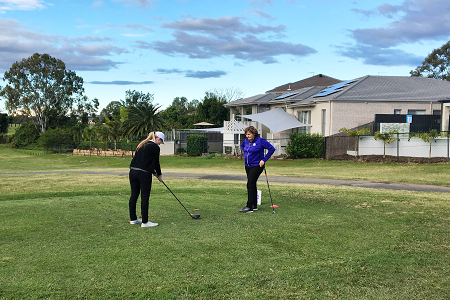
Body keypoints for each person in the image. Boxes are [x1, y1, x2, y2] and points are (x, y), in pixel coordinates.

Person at [128, 131, 165, 227]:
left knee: (134, 195)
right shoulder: (155, 147)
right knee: (145, 196)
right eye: (161, 141)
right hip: (143, 174)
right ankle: (145, 222)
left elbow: (145, 161)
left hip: (133, 172)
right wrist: (159, 175)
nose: (160, 144)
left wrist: (154, 173)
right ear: (158, 139)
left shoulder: (142, 144)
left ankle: (133, 219)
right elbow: (156, 162)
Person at [238, 126, 275, 213]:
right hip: (248, 165)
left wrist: (263, 160)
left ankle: (249, 206)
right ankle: (254, 205)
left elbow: (271, 149)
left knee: (250, 184)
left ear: (254, 134)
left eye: (249, 134)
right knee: (252, 184)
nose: (247, 136)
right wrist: (245, 152)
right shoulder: (246, 141)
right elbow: (242, 145)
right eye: (246, 134)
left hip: (257, 166)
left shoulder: (260, 141)